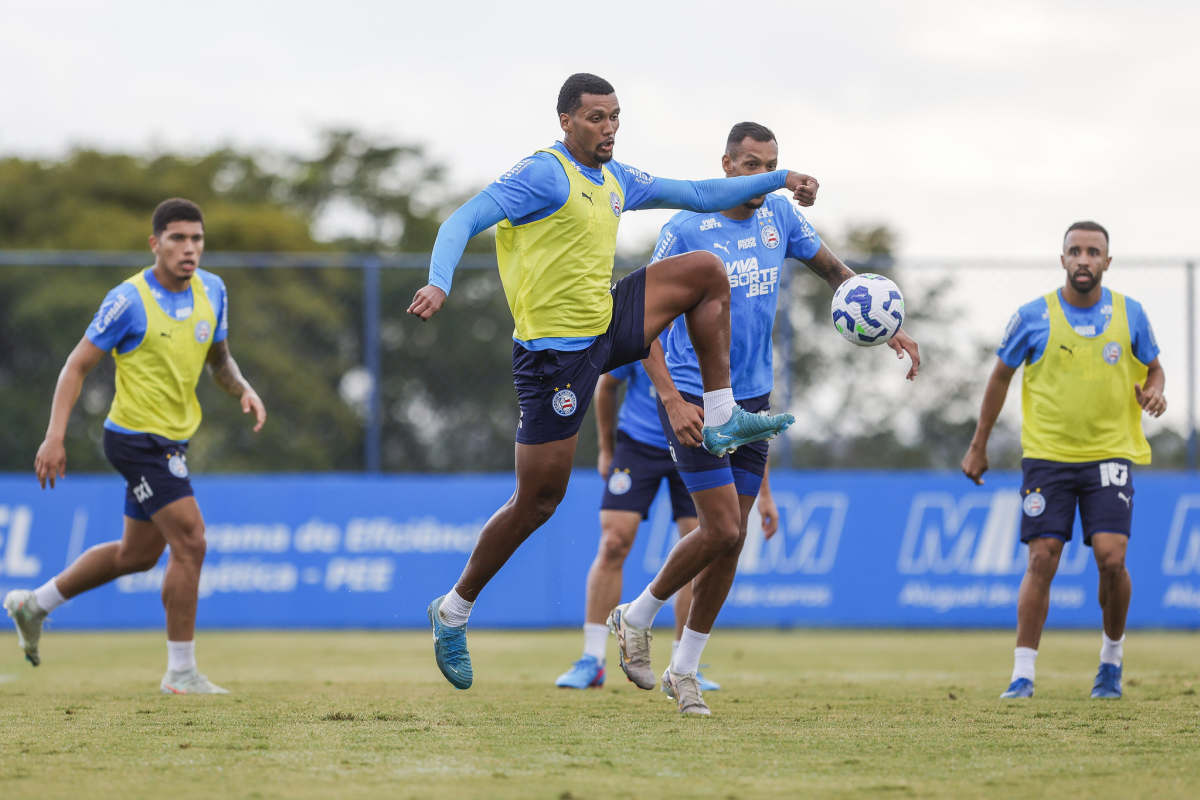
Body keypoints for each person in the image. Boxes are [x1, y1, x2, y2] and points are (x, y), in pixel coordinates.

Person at [407, 73, 818, 690]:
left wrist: (779, 181)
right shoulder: (544, 174)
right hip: (554, 358)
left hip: (607, 321)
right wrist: (440, 279)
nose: (609, 129)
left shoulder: (618, 178)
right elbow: (461, 220)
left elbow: (704, 193)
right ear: (567, 121)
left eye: (615, 117)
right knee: (538, 501)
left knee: (707, 270)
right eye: (597, 118)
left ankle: (723, 409)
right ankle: (454, 607)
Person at [612, 122, 920, 714]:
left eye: (770, 163)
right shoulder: (684, 228)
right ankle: (638, 614)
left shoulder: (780, 216)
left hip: (753, 398)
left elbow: (834, 272)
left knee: (731, 541)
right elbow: (637, 324)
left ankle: (685, 670)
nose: (760, 175)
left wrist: (885, 322)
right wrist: (671, 400)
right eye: (750, 164)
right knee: (722, 529)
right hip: (696, 398)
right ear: (725, 165)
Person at [4, 198, 266, 695]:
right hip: (135, 440)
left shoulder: (214, 289)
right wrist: (55, 435)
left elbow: (219, 359)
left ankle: (34, 604)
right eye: (178, 239)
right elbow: (76, 365)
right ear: (156, 244)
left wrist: (244, 389)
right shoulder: (128, 301)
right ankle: (181, 673)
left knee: (137, 555)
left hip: (173, 437)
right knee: (191, 540)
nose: (189, 249)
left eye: (197, 239)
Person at [961, 220, 1165, 700]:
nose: (1084, 260)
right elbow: (998, 378)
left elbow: (1155, 367)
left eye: (1094, 252)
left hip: (1110, 454)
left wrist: (1155, 391)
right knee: (1042, 558)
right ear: (1062, 259)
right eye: (1075, 251)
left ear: (1107, 263)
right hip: (1048, 457)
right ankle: (1023, 674)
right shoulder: (1033, 316)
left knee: (1111, 558)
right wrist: (979, 442)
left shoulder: (1130, 314)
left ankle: (1111, 663)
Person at [554, 350, 779, 690]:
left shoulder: (713, 336)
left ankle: (683, 665)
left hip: (697, 445)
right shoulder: (651, 329)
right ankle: (592, 658)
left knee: (704, 545)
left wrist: (764, 493)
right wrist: (605, 448)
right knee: (614, 541)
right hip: (639, 446)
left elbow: (745, 420)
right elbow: (607, 387)